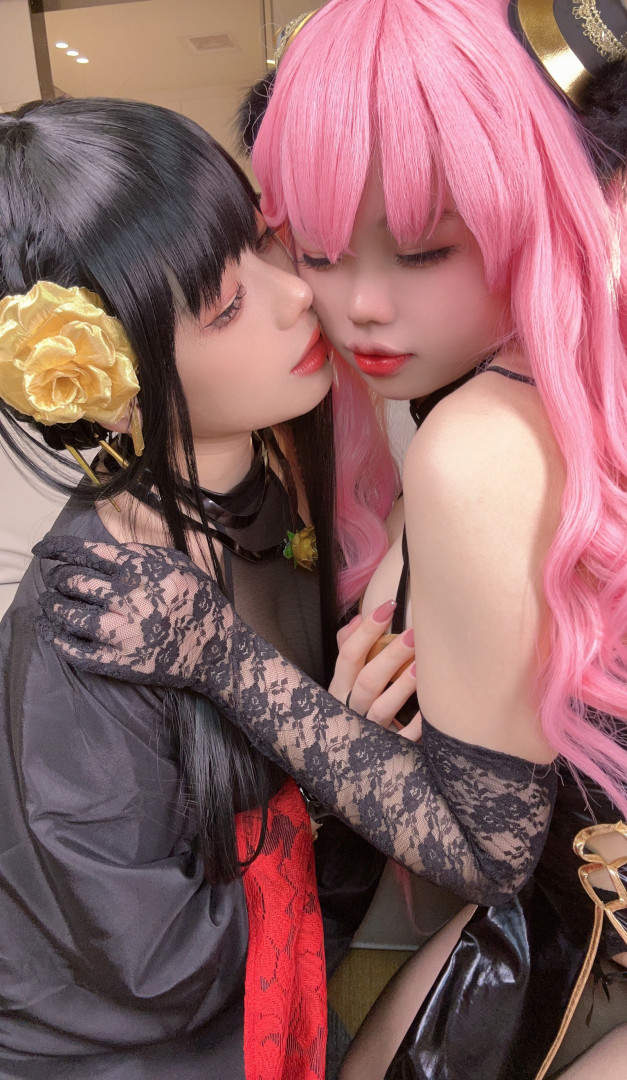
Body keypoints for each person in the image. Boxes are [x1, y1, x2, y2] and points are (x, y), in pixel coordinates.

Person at [35, 0, 627, 1077]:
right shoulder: (553, 376)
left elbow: (488, 849)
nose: (349, 308)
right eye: (310, 248)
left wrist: (228, 661)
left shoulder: (473, 445)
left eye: (424, 250)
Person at [0, 94, 403, 1079]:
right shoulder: (94, 612)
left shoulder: (273, 485)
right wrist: (336, 767)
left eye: (265, 243)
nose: (298, 294)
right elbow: (153, 963)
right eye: (226, 304)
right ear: (109, 385)